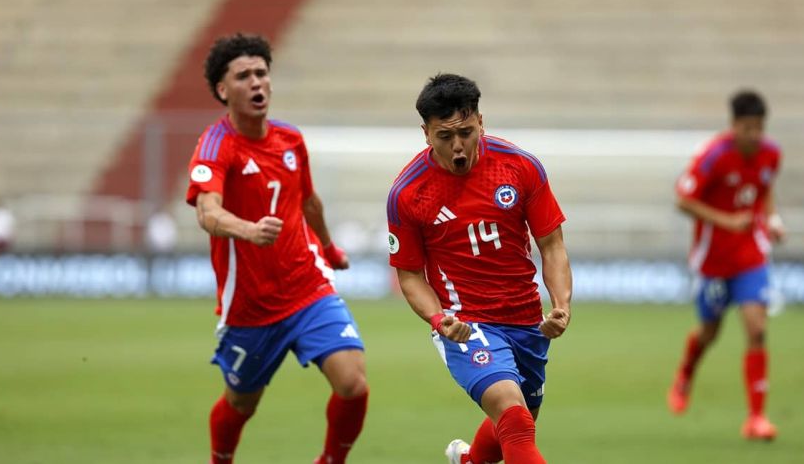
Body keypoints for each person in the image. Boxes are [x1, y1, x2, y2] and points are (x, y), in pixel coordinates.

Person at [185, 33, 368, 464]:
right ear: (222, 90)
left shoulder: (290, 139)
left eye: (262, 73)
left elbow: (309, 201)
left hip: (307, 287)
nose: (256, 83)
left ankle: (329, 461)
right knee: (241, 403)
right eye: (243, 76)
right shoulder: (215, 146)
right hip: (251, 306)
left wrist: (328, 247)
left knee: (353, 383)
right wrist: (248, 230)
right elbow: (207, 213)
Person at [386, 73, 572, 464]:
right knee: (515, 417)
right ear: (425, 133)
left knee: (519, 421)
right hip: (467, 325)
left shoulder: (519, 167)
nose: (457, 147)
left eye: (466, 132)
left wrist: (561, 304)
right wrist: (439, 320)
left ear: (481, 122)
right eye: (444, 136)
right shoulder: (408, 193)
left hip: (526, 321)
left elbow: (551, 245)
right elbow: (409, 275)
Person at [668, 89, 785, 440]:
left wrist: (773, 218)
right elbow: (683, 200)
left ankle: (756, 418)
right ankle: (686, 373)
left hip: (751, 255)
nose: (752, 135)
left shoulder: (770, 154)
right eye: (746, 127)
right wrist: (726, 221)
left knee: (757, 329)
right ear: (734, 125)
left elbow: (765, 190)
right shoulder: (713, 156)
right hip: (714, 261)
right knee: (709, 332)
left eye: (758, 128)